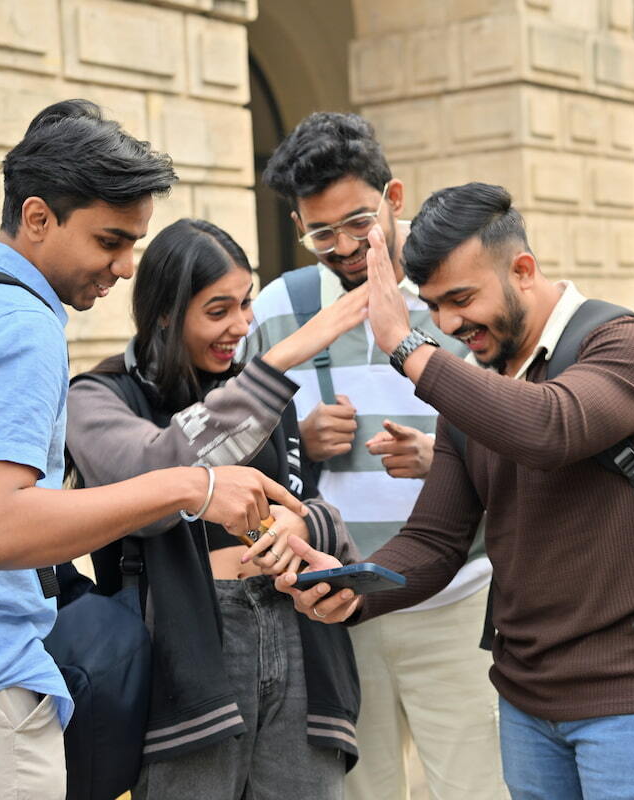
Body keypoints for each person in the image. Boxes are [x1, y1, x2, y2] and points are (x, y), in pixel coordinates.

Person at [0, 100, 301, 800]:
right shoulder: (17, 320)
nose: (127, 267)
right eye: (109, 241)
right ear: (37, 217)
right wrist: (189, 486)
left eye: (133, 243)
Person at [279, 182, 634, 800]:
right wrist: (350, 586)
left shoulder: (626, 346)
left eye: (461, 298)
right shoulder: (475, 389)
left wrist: (408, 346)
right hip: (528, 701)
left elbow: (550, 427)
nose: (452, 325)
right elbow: (434, 542)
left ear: (523, 269)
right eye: (433, 308)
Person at [247, 112, 507, 800]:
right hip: (338, 607)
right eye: (319, 233)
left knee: (478, 786)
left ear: (394, 201)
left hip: (458, 601)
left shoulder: (455, 301)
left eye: (357, 224)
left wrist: (443, 459)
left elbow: (523, 427)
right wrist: (298, 440)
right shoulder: (281, 309)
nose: (342, 247)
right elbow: (238, 456)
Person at [65, 218, 371, 800]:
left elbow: (317, 513)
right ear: (163, 312)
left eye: (247, 305)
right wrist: (281, 361)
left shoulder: (263, 394)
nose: (241, 326)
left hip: (303, 648)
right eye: (218, 310)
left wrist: (305, 525)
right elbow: (152, 473)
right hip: (183, 666)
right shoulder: (97, 397)